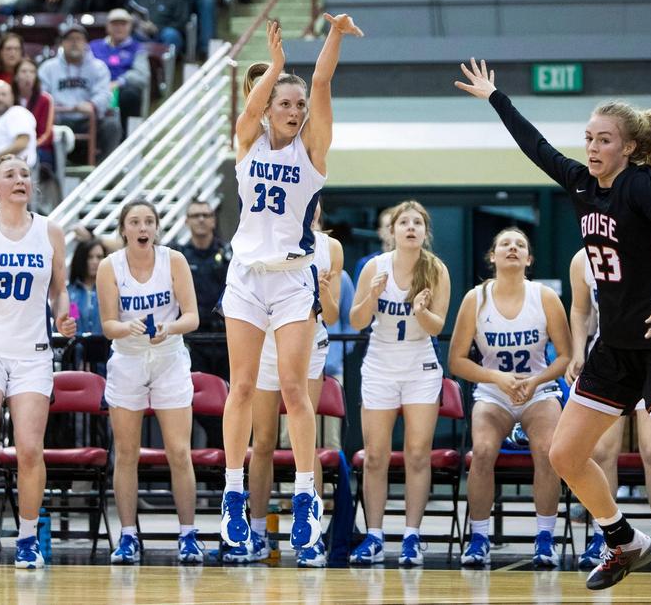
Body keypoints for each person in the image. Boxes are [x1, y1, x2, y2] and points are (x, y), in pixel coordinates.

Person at [455, 58, 651, 602]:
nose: (592, 147)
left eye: (604, 139)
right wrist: (495, 98)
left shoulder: (639, 186)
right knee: (563, 455)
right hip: (613, 348)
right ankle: (623, 539)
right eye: (588, 138)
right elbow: (537, 148)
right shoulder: (581, 183)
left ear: (627, 147)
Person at [218, 15, 361, 557]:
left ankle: (305, 493)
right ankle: (234, 492)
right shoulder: (247, 144)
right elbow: (250, 107)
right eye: (287, 103)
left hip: (292, 280)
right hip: (246, 278)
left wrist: (335, 36)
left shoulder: (313, 152)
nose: (295, 111)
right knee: (244, 387)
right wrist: (274, 66)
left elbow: (322, 84)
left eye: (299, 106)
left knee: (298, 392)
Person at [0, 153, 77, 570]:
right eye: (10, 175)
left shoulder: (50, 231)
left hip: (32, 353)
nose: (20, 179)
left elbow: (60, 290)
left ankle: (26, 538)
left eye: (25, 173)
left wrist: (63, 314)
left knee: (29, 449)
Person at [451, 226, 571, 568]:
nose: (513, 248)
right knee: (484, 451)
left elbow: (564, 356)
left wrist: (535, 381)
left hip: (538, 390)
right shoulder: (475, 298)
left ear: (529, 258)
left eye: (520, 244)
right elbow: (456, 360)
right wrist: (497, 378)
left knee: (548, 451)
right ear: (493, 256)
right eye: (505, 243)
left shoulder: (544, 296)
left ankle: (545, 538)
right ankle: (479, 537)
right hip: (494, 391)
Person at [234, 201, 343, 567]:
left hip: (308, 343)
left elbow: (334, 312)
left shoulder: (330, 248)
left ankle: (309, 534)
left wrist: (325, 291)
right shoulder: (258, 240)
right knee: (262, 440)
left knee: (304, 439)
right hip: (264, 341)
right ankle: (258, 532)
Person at [97, 200, 203, 564]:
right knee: (126, 454)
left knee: (178, 451)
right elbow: (108, 324)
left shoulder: (174, 260)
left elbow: (192, 316)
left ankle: (188, 534)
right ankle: (128, 536)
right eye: (134, 221)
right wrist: (125, 328)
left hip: (169, 357)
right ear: (123, 229)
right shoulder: (109, 266)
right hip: (127, 359)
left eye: (148, 221)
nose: (142, 227)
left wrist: (169, 327)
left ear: (156, 227)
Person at [566, 247, 651, 572]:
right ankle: (606, 534)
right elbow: (579, 310)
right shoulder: (582, 259)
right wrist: (578, 351)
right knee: (602, 451)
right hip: (609, 356)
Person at [348, 200, 451, 566]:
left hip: (420, 365)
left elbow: (438, 327)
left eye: (417, 222)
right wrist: (373, 296)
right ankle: (374, 536)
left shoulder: (436, 269)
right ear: (392, 231)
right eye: (403, 222)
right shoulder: (374, 268)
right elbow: (357, 320)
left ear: (425, 232)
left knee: (417, 454)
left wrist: (422, 311)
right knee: (375, 455)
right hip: (380, 364)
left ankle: (411, 536)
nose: (410, 227)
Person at [175, 198, 231, 447]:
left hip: (226, 341)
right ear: (186, 221)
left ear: (213, 220)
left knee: (230, 402)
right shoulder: (178, 257)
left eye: (206, 215)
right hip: (194, 342)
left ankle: (226, 466)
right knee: (199, 406)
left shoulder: (228, 255)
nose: (201, 219)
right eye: (195, 215)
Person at [38, 22, 120, 159]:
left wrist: (92, 104)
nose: (74, 43)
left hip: (87, 120)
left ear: (86, 43)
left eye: (78, 39)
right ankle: (48, 169)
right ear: (62, 43)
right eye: (70, 39)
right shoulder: (48, 67)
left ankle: (104, 169)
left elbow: (105, 94)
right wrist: (53, 108)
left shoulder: (98, 67)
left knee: (111, 125)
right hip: (58, 119)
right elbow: (41, 94)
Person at [88, 8, 150, 131]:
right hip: (96, 87)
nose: (119, 27)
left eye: (123, 24)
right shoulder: (94, 46)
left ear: (130, 26)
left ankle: (129, 136)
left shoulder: (137, 48)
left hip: (122, 90)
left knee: (131, 94)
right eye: (115, 24)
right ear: (107, 27)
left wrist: (119, 82)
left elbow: (143, 75)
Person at [13, 57, 55, 169]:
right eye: (23, 71)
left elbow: (46, 134)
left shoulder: (45, 99)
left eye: (32, 72)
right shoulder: (9, 97)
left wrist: (29, 146)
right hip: (13, 146)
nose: (28, 75)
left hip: (39, 147)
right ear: (16, 76)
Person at [68, 237, 104, 336]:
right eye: (89, 257)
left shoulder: (111, 291)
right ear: (81, 259)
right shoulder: (69, 293)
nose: (95, 261)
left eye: (99, 257)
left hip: (105, 348)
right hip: (77, 348)